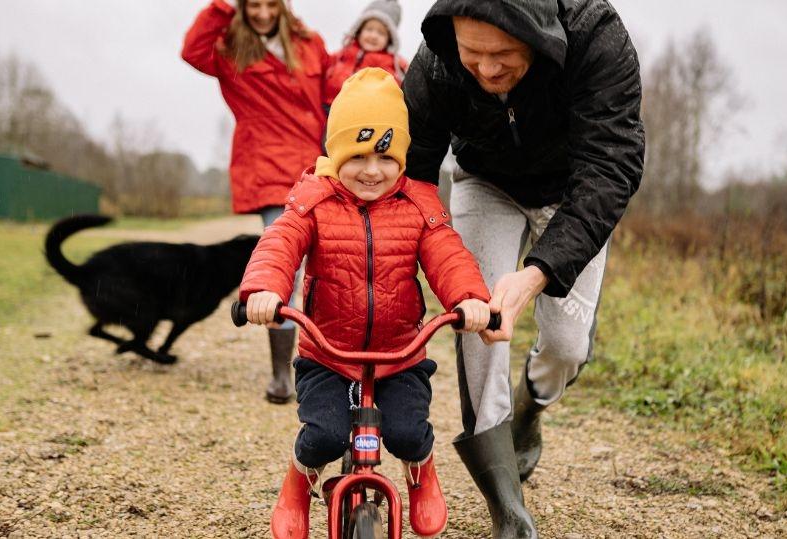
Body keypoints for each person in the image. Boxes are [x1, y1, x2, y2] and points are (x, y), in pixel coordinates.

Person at [402, 0, 646, 536]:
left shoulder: (596, 37)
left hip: (570, 192)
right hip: (483, 182)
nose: (487, 70)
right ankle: (506, 504)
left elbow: (613, 165)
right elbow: (415, 175)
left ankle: (528, 411)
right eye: (474, 54)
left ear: (536, 37)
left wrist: (536, 274)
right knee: (479, 324)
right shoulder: (438, 61)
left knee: (566, 347)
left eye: (504, 54)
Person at [239, 68, 495, 539]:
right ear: (335, 155)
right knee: (323, 435)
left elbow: (448, 254)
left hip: (399, 355)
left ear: (401, 157)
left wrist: (470, 300)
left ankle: (421, 474)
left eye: (385, 155)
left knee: (408, 432)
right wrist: (265, 290)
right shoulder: (313, 199)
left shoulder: (419, 203)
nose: (372, 170)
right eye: (357, 156)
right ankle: (298, 482)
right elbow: (280, 243)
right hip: (328, 355)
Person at [182, 0, 330, 405]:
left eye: (269, 5)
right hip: (269, 172)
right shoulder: (232, 50)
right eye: (253, 6)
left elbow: (335, 89)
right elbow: (192, 51)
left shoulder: (309, 43)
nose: (262, 14)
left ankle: (327, 365)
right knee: (288, 266)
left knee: (329, 265)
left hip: (318, 167)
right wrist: (221, 7)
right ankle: (284, 374)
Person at [323, 0, 409, 107]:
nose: (373, 36)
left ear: (389, 39)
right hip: (328, 107)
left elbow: (395, 90)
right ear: (359, 30)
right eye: (369, 29)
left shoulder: (391, 65)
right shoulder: (342, 54)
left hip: (359, 114)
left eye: (381, 33)